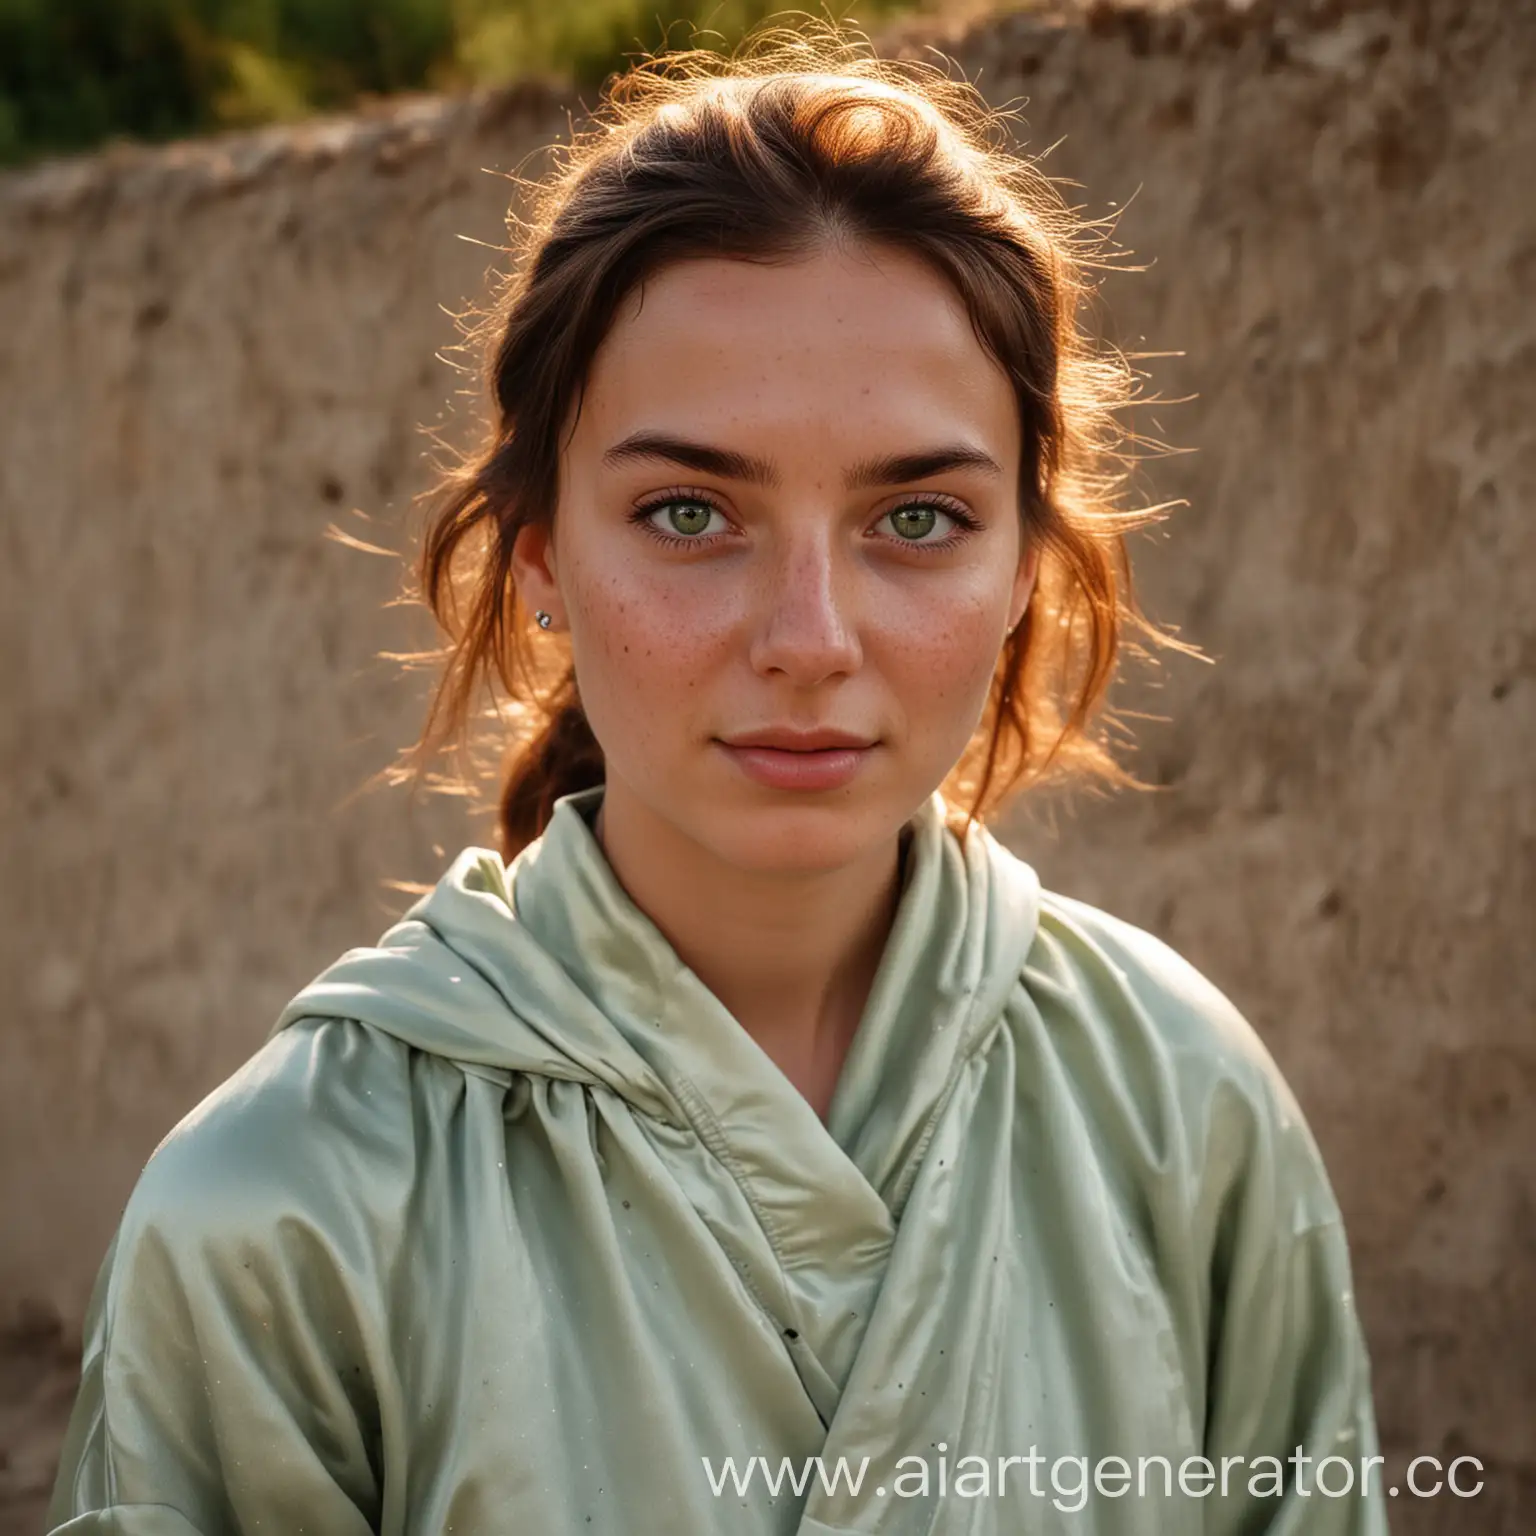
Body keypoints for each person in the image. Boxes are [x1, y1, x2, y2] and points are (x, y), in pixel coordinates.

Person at [46, 25, 1386, 1536]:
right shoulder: (282, 1210)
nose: (809, 640)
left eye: (922, 518)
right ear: (541, 557)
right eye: (689, 511)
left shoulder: (1181, 1110)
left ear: (1028, 566)